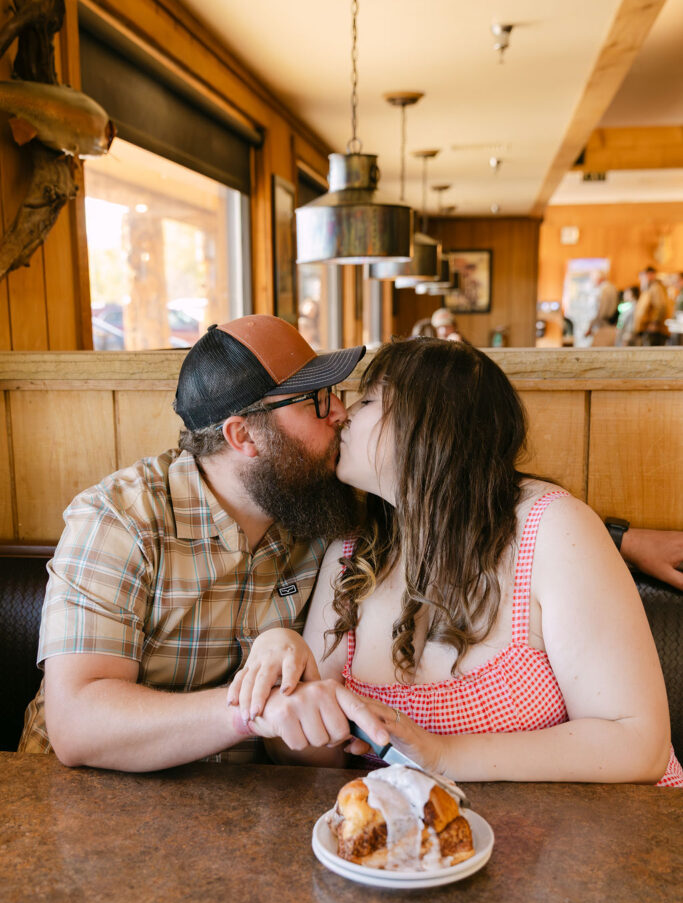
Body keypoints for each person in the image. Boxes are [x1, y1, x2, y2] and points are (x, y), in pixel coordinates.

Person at [230, 338, 682, 786]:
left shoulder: (553, 528)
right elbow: (316, 762)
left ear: (428, 425)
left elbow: (638, 744)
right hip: (420, 849)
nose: (344, 414)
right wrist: (283, 678)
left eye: (367, 399)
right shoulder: (351, 556)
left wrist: (445, 756)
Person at [18, 315, 390, 771]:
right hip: (78, 803)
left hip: (243, 814)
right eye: (315, 399)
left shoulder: (322, 511)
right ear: (242, 435)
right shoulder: (121, 518)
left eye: (336, 392)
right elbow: (78, 724)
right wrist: (250, 714)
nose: (339, 411)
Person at [634, 266, 669, 346]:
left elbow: (661, 306)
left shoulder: (656, 288)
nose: (641, 279)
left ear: (650, 275)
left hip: (654, 329)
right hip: (647, 328)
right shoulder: (648, 288)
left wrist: (654, 323)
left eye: (642, 276)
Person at [585, 270, 618, 339]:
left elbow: (602, 311)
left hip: (604, 326)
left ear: (599, 279)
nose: (593, 282)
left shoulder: (605, 289)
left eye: (593, 279)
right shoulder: (610, 287)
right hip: (609, 324)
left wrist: (591, 326)